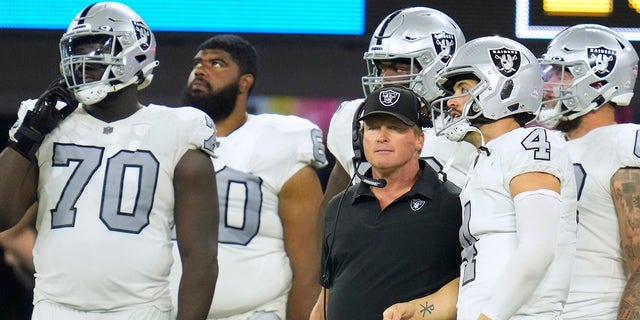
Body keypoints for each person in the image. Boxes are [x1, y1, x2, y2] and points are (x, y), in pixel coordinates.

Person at [0, 2, 219, 319]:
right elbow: (3, 217)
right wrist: (26, 136)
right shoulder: (45, 125)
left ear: (135, 51)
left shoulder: (179, 129)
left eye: (96, 47)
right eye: (76, 49)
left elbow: (201, 256)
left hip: (141, 310)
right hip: (55, 308)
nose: (82, 60)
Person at [168, 34, 328, 320]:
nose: (201, 70)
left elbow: (309, 269)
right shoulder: (164, 139)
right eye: (197, 63)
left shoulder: (281, 144)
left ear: (245, 82)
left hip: (256, 313)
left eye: (217, 63)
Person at [430, 36, 578, 319]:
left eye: (463, 88)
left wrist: (488, 317)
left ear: (503, 86)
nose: (452, 101)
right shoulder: (486, 157)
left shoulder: (530, 143)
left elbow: (538, 249)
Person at [311, 86, 462, 320]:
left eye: (394, 127)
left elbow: (472, 284)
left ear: (419, 139)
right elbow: (327, 294)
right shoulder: (339, 206)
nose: (381, 136)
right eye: (372, 128)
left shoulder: (452, 204)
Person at [537, 24, 640, 319]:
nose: (547, 84)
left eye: (560, 73)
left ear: (597, 83)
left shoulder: (624, 144)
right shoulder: (546, 146)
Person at [324, 7, 474, 204]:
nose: (385, 79)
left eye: (400, 68)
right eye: (381, 67)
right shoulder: (353, 118)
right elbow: (333, 207)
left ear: (440, 67)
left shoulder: (472, 127)